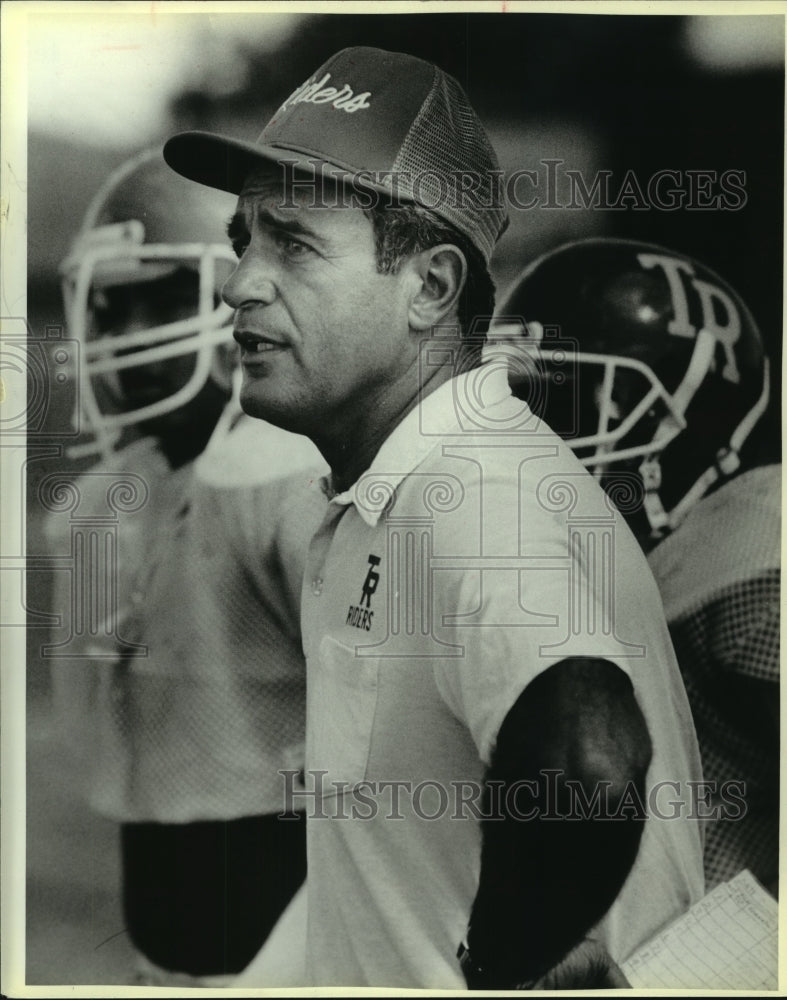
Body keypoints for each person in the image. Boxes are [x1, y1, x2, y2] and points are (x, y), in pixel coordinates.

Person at [164, 46, 704, 989]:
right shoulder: (395, 490)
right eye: (242, 238)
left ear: (429, 288)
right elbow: (384, 861)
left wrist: (495, 971)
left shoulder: (475, 494)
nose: (239, 281)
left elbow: (589, 759)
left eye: (291, 242)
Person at [46, 148, 323, 985]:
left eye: (163, 300)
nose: (131, 337)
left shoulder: (291, 476)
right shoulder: (108, 498)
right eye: (115, 308)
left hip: (296, 941)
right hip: (160, 945)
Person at [496, 237, 779, 895]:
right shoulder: (634, 549)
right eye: (524, 399)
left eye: (570, 401)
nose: (538, 431)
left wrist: (719, 954)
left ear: (687, 412)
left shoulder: (753, 560)